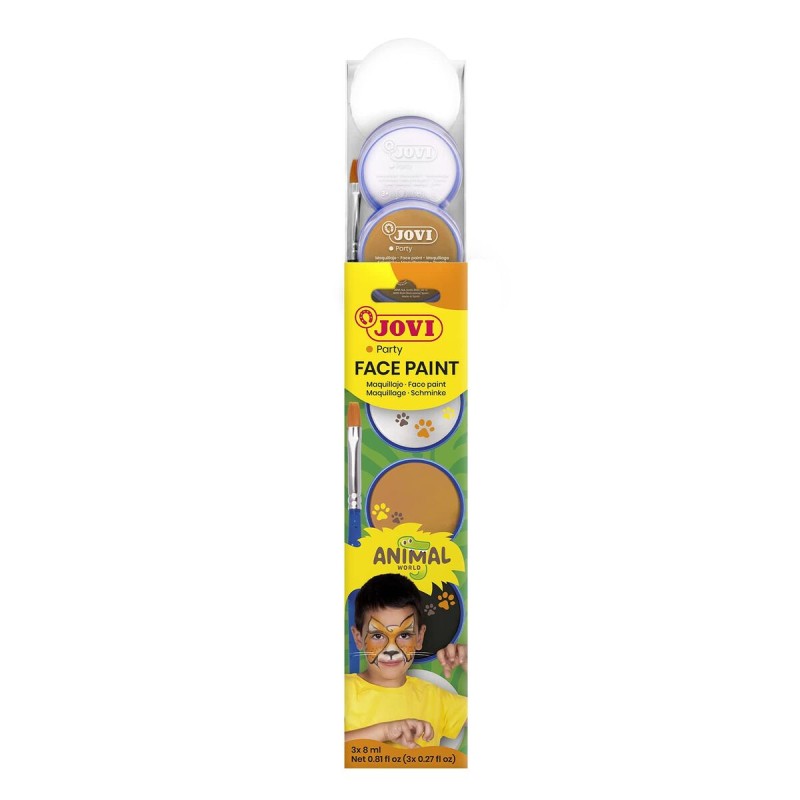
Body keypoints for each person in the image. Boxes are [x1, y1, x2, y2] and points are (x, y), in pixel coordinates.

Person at [344, 573, 467, 748]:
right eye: (377, 635)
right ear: (358, 638)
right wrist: (385, 732)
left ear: (419, 637)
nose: (391, 649)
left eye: (404, 635)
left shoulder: (435, 698)